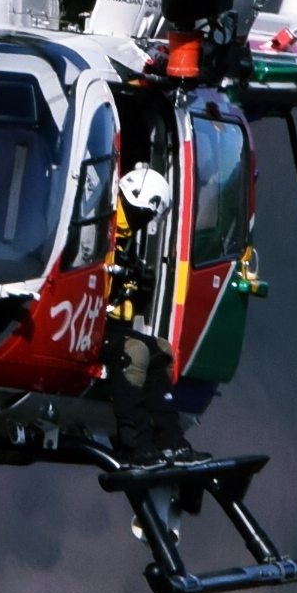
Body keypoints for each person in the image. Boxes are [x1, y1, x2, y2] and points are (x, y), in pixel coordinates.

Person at [104, 163, 203, 467]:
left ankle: (169, 440)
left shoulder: (125, 238)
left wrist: (132, 288)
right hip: (79, 329)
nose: (143, 221)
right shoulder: (99, 230)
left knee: (159, 350)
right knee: (134, 353)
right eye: (144, 214)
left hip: (103, 325)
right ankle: (134, 442)